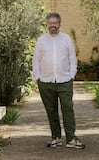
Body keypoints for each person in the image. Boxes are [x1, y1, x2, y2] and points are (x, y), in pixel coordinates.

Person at [32, 12, 84, 149]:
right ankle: (56, 138)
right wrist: (38, 77)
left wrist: (72, 75)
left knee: (68, 108)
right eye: (50, 23)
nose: (52, 25)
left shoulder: (66, 39)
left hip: (64, 81)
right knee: (51, 110)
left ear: (59, 24)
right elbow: (36, 60)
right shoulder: (41, 40)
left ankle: (71, 139)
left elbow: (72, 59)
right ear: (47, 24)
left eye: (55, 23)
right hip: (45, 81)